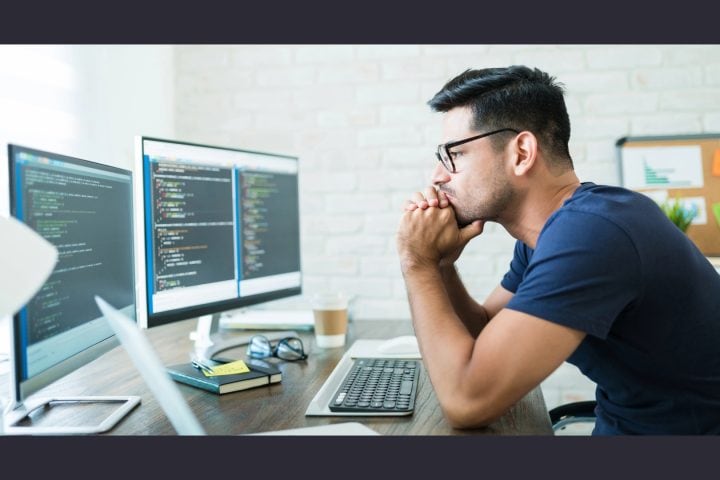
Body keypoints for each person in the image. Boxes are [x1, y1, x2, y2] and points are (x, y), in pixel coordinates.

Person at [396, 65, 720, 435]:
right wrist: (440, 266)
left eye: (455, 154)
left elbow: (467, 403)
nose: (437, 176)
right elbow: (486, 332)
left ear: (521, 152)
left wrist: (416, 263)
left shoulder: (592, 235)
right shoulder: (553, 234)